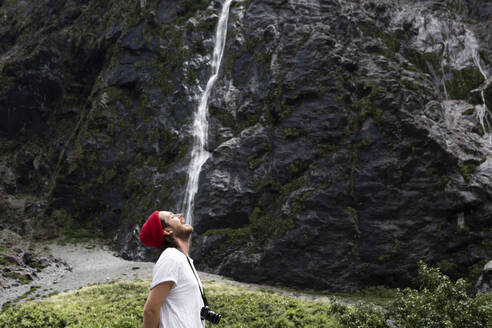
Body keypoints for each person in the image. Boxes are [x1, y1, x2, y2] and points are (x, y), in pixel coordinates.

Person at [140, 210, 205, 328]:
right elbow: (150, 311)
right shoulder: (171, 257)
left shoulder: (182, 259)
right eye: (172, 216)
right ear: (167, 231)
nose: (180, 216)